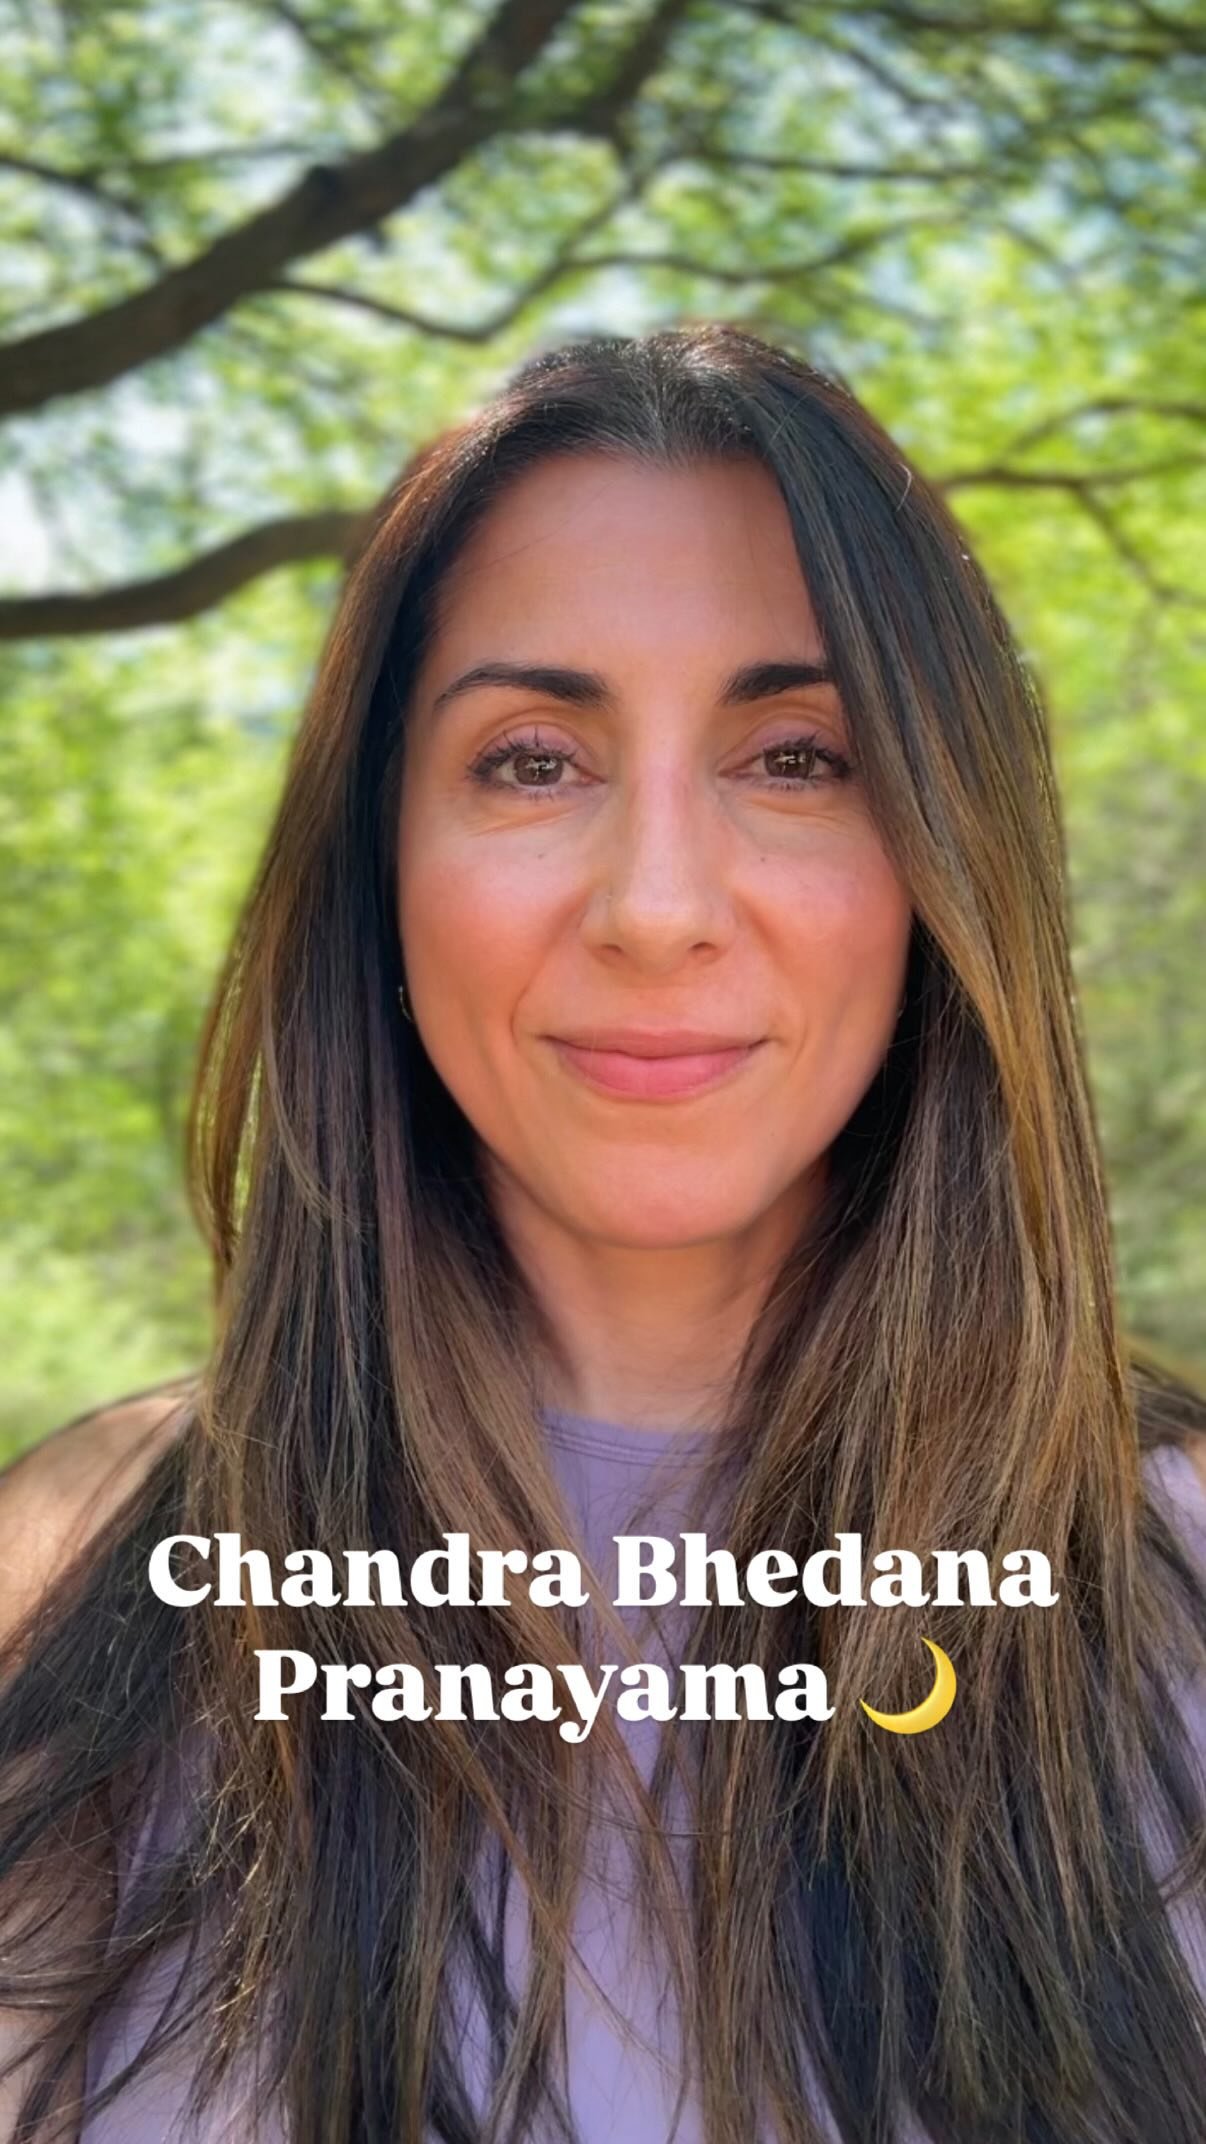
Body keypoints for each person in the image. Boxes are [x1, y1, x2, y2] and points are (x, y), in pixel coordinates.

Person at [0, 322, 1203, 2144]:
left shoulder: (1172, 1573)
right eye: (532, 761)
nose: (654, 906)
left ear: (944, 861)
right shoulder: (75, 1579)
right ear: (381, 865)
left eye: (794, 756)